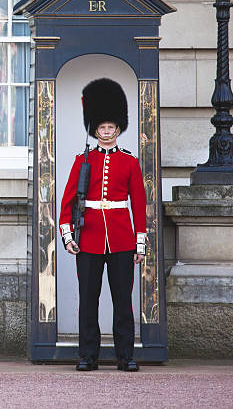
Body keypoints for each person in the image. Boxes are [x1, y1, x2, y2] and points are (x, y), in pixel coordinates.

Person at [58, 78, 147, 372]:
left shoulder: (129, 163)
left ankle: (126, 355)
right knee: (89, 301)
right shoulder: (82, 160)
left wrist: (140, 242)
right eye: (102, 128)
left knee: (123, 301)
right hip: (90, 238)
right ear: (95, 129)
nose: (107, 132)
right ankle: (88, 356)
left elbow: (139, 204)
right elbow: (68, 200)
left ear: (118, 129)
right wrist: (68, 235)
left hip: (121, 238)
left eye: (111, 128)